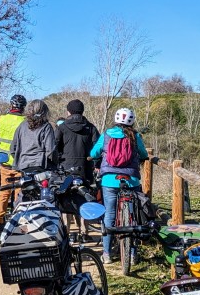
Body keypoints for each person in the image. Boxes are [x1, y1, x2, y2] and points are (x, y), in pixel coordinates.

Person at [89, 107, 149, 264]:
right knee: (134, 214)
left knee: (109, 214)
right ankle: (133, 254)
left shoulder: (107, 134)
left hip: (109, 180)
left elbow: (94, 153)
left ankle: (107, 254)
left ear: (116, 120)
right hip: (131, 179)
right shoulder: (135, 136)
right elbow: (144, 154)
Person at [0, 93, 27, 232]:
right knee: (19, 192)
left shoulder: (1, 118)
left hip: (4, 161)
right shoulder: (25, 121)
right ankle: (17, 219)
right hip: (19, 161)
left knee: (3, 191)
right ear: (23, 107)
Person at [54, 100, 99, 180]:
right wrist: (97, 164)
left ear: (68, 112)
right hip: (86, 168)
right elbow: (98, 147)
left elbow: (54, 146)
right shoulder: (91, 127)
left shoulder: (62, 127)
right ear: (82, 111)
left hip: (65, 167)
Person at [10, 99, 57, 173]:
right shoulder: (46, 126)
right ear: (44, 111)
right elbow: (51, 149)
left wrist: (20, 159)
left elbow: (13, 149)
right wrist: (54, 163)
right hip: (40, 166)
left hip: (23, 166)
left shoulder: (22, 126)